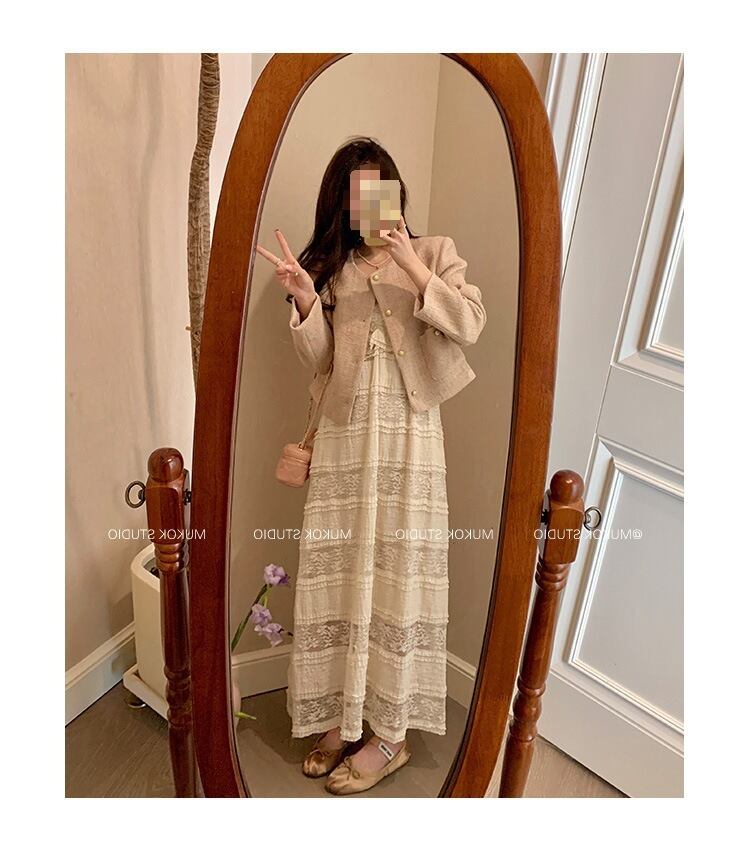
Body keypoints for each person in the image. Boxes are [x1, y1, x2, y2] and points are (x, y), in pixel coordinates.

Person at [255, 137, 486, 794]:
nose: (371, 202)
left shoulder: (435, 251)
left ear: (396, 192)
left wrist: (410, 260)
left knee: (398, 574)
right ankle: (340, 716)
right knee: (341, 574)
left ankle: (391, 735)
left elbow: (470, 322)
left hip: (411, 439)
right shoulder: (332, 268)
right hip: (344, 438)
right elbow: (322, 361)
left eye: (380, 187)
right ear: (343, 202)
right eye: (357, 192)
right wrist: (306, 299)